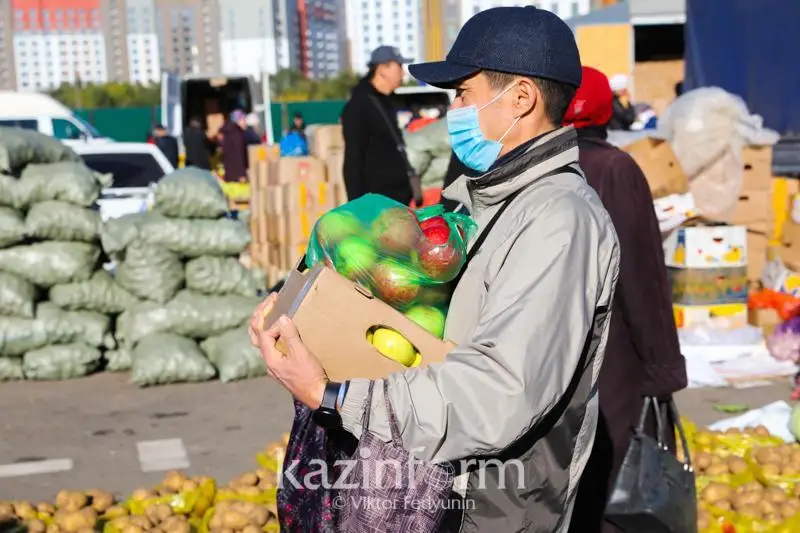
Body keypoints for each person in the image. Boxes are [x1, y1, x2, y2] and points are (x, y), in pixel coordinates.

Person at [250, 7, 621, 532]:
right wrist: (300, 308)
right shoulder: (482, 200)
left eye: (463, 93)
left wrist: (337, 398)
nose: (455, 109)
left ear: (521, 98)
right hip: (440, 481)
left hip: (495, 506)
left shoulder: (558, 221)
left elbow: (500, 390)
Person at [562, 66, 688, 533]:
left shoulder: (535, 167)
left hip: (554, 352)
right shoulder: (615, 168)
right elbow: (643, 278)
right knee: (615, 485)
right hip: (612, 352)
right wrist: (662, 368)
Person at [341, 45, 422, 205]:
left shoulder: (384, 100)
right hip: (377, 205)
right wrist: (356, 207)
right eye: (398, 66)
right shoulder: (360, 105)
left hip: (396, 199)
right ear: (382, 69)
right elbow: (353, 158)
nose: (403, 72)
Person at [220, 110, 248, 182]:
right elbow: (238, 154)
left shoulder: (228, 132)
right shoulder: (236, 134)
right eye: (243, 119)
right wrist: (241, 174)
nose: (245, 122)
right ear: (237, 121)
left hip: (230, 173)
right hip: (237, 175)